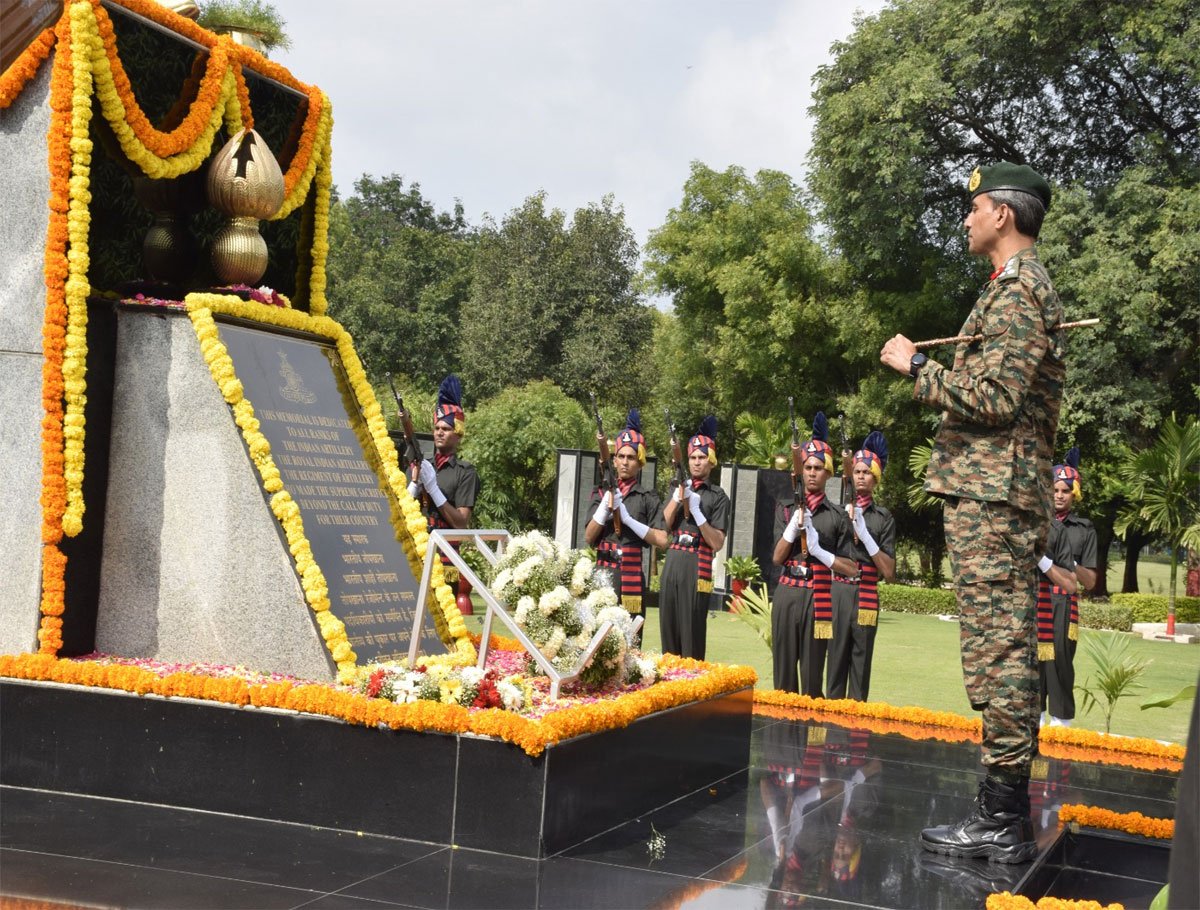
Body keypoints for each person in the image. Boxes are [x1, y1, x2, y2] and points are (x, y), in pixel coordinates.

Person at [880, 162, 1066, 863]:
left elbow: (997, 400)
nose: (966, 218)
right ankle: (1001, 813)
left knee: (1003, 657)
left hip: (997, 500)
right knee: (996, 656)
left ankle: (1001, 820)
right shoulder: (1009, 291)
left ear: (1004, 216)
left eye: (975, 206)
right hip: (991, 498)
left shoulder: (1019, 293)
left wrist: (916, 370)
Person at [771, 412, 857, 695]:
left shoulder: (837, 516)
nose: (811, 472)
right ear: (800, 471)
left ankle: (811, 737)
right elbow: (777, 557)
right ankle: (778, 734)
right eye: (807, 467)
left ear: (828, 472)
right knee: (783, 676)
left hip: (818, 594)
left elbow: (851, 568)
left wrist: (819, 551)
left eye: (818, 468)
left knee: (811, 677)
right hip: (787, 593)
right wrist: (793, 529)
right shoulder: (785, 508)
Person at [584, 410, 667, 642]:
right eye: (620, 456)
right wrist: (605, 508)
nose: (624, 462)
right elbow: (589, 537)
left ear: (640, 463)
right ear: (614, 459)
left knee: (630, 639)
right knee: (596, 638)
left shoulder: (648, 497)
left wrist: (629, 520)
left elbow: (662, 540)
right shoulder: (599, 492)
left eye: (631, 457)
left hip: (631, 574)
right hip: (603, 572)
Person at [827, 431, 897, 701]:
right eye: (856, 471)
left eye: (867, 472)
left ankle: (855, 736)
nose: (860, 476)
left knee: (860, 664)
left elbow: (888, 572)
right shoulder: (835, 512)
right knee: (834, 664)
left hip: (866, 593)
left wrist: (866, 536)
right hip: (839, 592)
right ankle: (829, 728)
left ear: (875, 478)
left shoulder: (884, 518)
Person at [660, 415, 730, 660]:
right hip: (674, 558)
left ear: (711, 462)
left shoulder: (718, 496)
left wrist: (699, 514)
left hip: (696, 563)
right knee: (668, 627)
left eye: (702, 457)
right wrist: (677, 499)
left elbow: (718, 542)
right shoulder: (676, 488)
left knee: (692, 631)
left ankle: (692, 684)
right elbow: (663, 528)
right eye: (692, 457)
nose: (697, 462)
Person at [1039, 446, 1097, 727]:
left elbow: (1090, 581)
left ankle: (1061, 726)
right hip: (1037, 599)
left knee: (1060, 664)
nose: (1059, 495)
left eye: (1065, 490)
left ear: (1075, 493)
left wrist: (1067, 564)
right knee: (1033, 665)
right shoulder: (1038, 523)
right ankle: (1034, 723)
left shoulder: (1083, 530)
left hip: (1063, 602)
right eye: (1055, 489)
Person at [408, 375, 480, 585]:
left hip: (446, 555)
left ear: (457, 435)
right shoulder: (422, 466)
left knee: (445, 610)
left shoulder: (465, 472)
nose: (440, 432)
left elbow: (460, 522)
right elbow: (401, 508)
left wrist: (433, 489)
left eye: (446, 429)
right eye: (437, 428)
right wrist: (415, 484)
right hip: (417, 548)